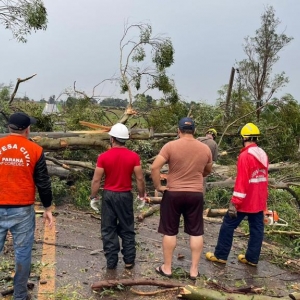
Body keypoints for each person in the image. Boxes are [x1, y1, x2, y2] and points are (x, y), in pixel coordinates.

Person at [151, 117, 212, 280]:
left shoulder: (170, 146)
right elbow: (207, 170)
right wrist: (197, 174)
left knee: (170, 231)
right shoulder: (205, 148)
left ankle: (167, 268)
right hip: (195, 194)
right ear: (194, 131)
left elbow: (155, 166)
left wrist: (158, 186)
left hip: (173, 193)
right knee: (196, 232)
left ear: (178, 130)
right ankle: (193, 271)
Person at [0, 112, 53, 300]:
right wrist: (48, 208)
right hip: (22, 209)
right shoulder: (35, 150)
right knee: (22, 253)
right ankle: (20, 295)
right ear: (27, 129)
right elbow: (43, 182)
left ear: (9, 128)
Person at [206, 122, 268, 267]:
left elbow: (242, 181)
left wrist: (235, 202)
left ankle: (220, 255)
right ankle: (252, 258)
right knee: (257, 229)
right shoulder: (263, 154)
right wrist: (264, 201)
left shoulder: (245, 156)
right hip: (258, 200)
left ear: (244, 138)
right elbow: (263, 179)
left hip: (245, 201)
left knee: (228, 225)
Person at [90, 123, 146, 270]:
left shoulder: (103, 157)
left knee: (108, 229)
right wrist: (142, 196)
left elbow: (96, 180)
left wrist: (93, 197)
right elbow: (140, 179)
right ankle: (129, 260)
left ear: (112, 139)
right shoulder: (134, 157)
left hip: (109, 196)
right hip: (125, 196)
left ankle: (111, 261)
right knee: (127, 228)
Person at [197, 128, 219, 196]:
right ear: (214, 136)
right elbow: (214, 159)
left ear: (206, 134)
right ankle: (201, 199)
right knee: (202, 184)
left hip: (191, 165)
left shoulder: (198, 139)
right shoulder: (214, 144)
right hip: (204, 168)